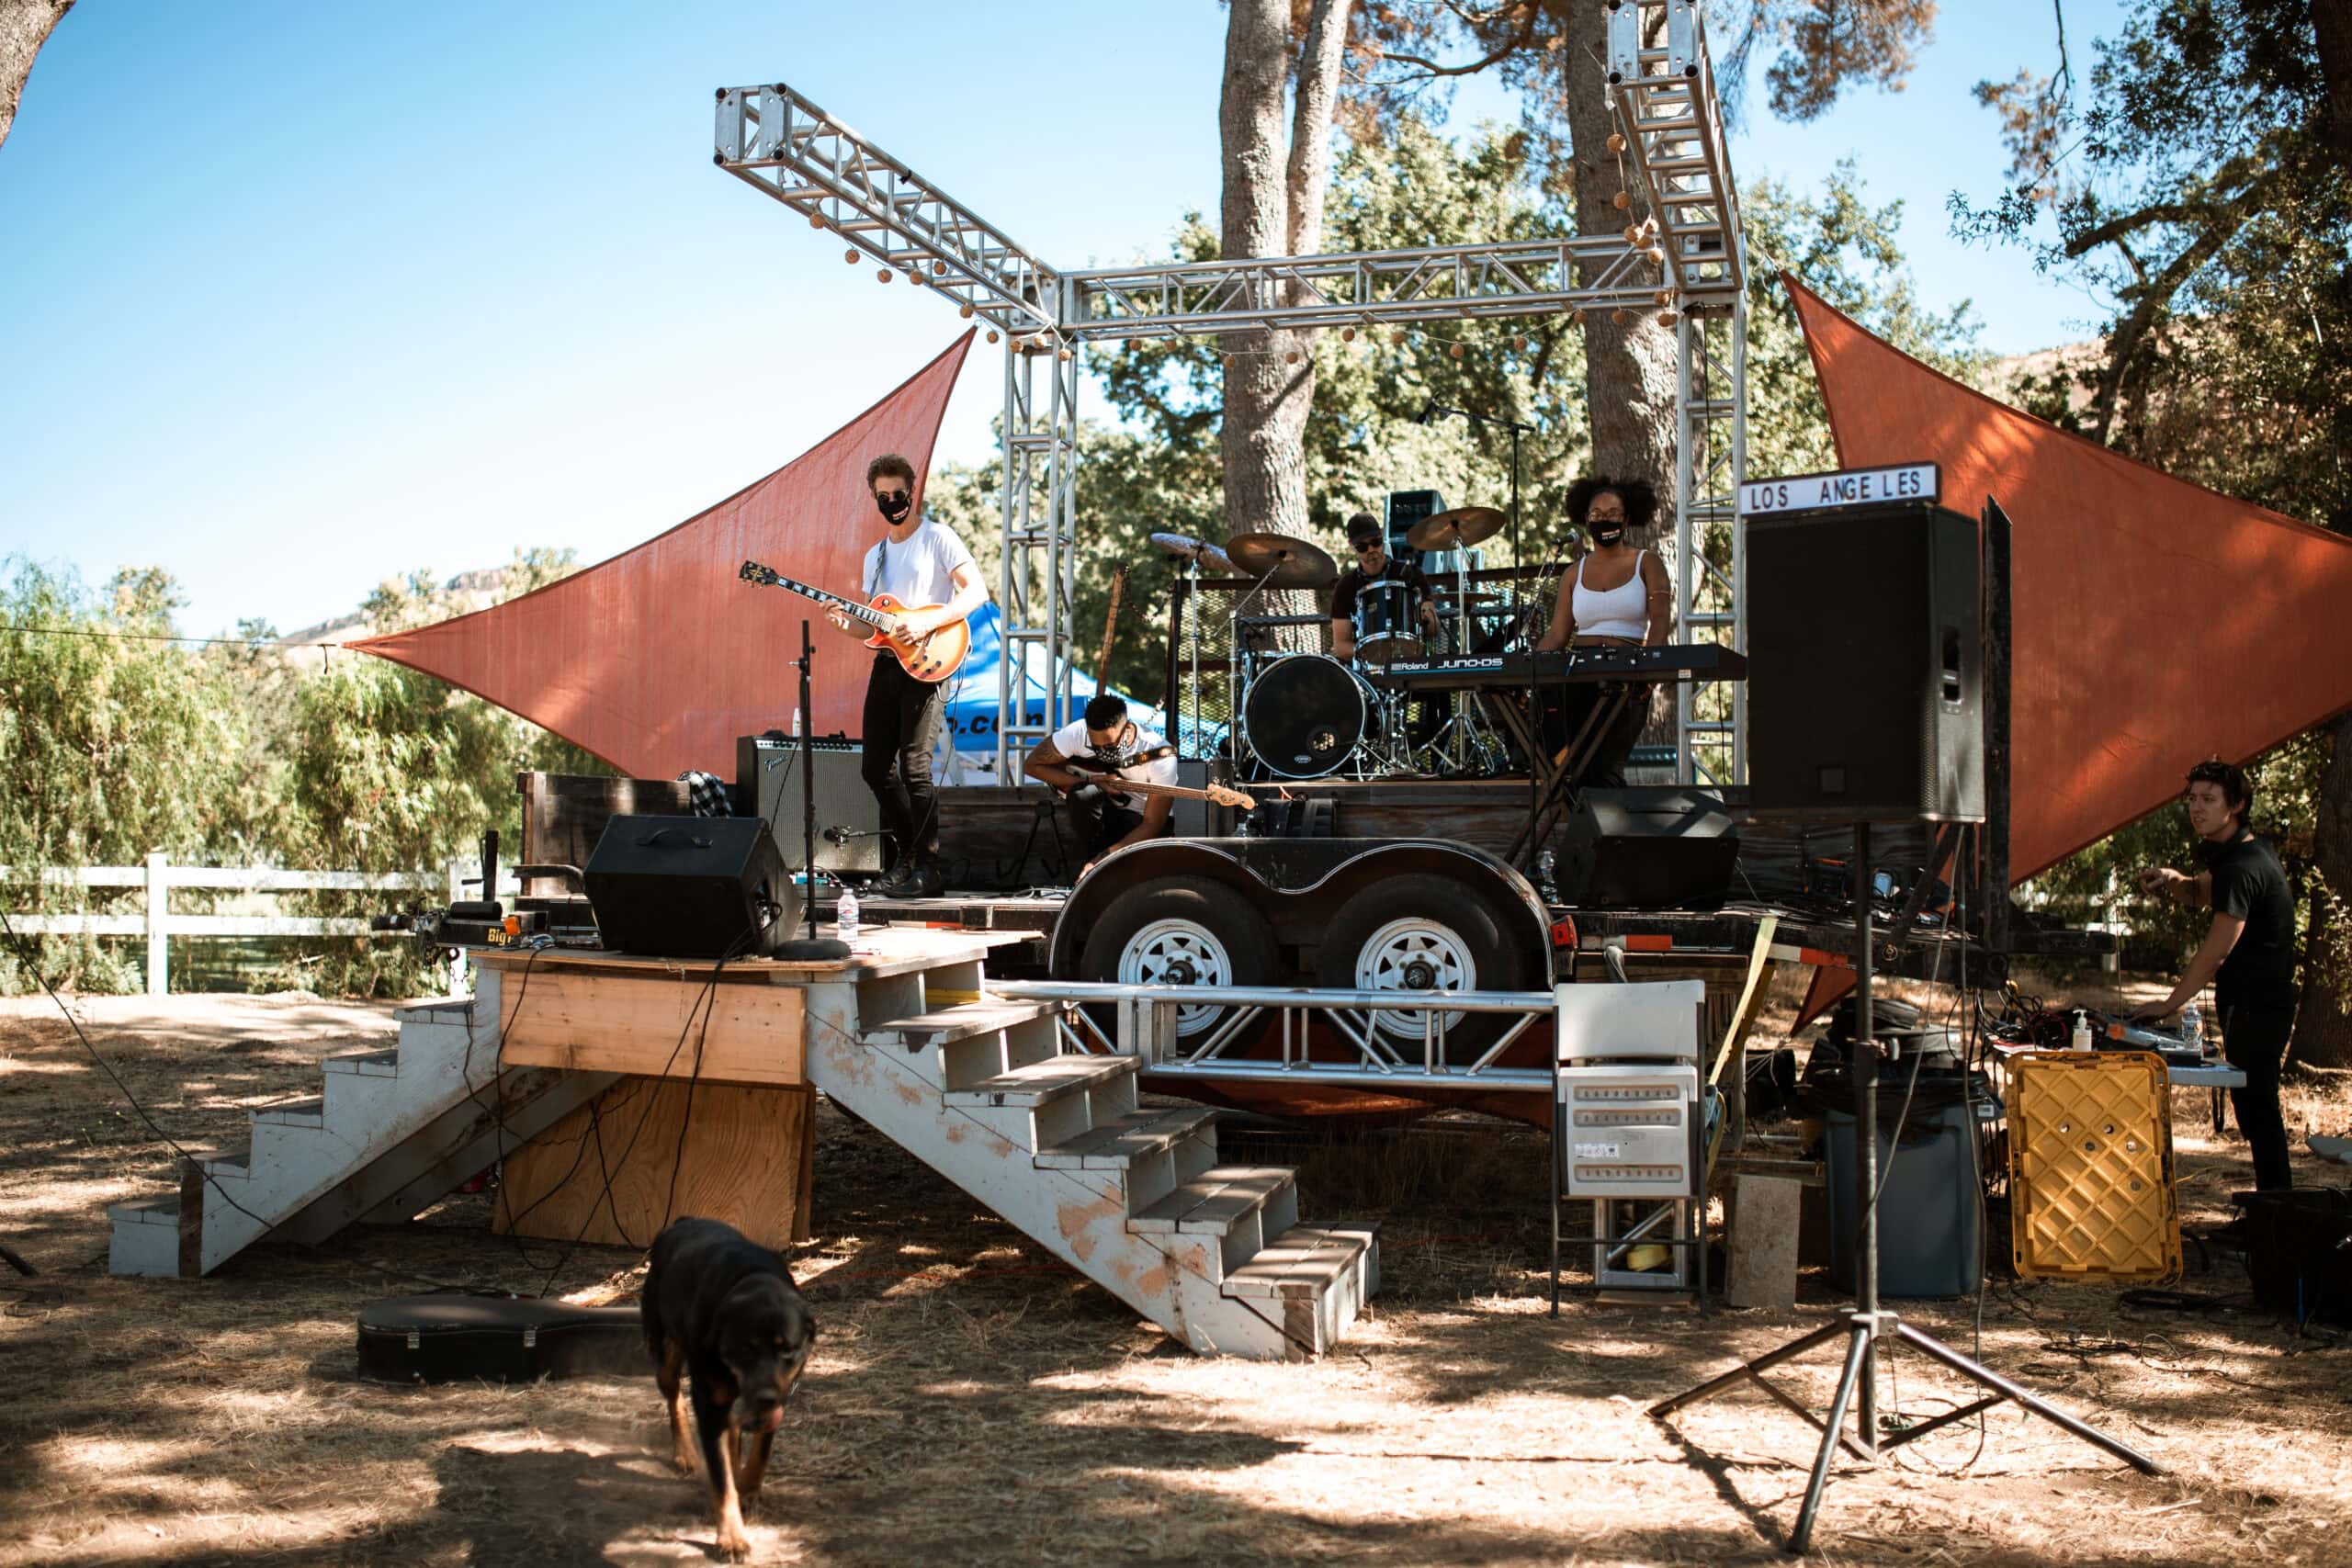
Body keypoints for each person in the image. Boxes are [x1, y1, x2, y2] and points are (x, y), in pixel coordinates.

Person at [824, 453, 989, 897]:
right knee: (874, 768)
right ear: (873, 497)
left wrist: (926, 623)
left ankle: (928, 868)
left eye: (899, 494)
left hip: (930, 660)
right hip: (888, 665)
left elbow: (976, 591)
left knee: (917, 767)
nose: (892, 502)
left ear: (912, 492)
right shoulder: (875, 556)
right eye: (883, 496)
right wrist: (845, 622)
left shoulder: (939, 537)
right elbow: (872, 624)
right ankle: (908, 858)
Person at [2132, 759, 2299, 1190]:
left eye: (2209, 799)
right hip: (2252, 1002)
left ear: (2237, 805)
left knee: (2258, 1109)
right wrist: (2171, 880)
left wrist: (2170, 1003)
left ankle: (2277, 1220)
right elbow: (2200, 892)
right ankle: (2272, 1215)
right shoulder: (2242, 854)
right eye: (2192, 799)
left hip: (2259, 1004)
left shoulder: (2244, 866)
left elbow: (2216, 952)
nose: (2197, 809)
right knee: (2255, 1108)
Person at [1532, 476, 1673, 788]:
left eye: (1612, 513)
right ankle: (1584, 834)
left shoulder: (1647, 563)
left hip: (1627, 671)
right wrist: (1527, 667)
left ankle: (1615, 835)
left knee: (1606, 768)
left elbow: (1660, 621)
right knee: (1568, 768)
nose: (1604, 520)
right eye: (1596, 514)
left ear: (1627, 518)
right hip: (1578, 674)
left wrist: (1650, 670)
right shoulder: (1573, 572)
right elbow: (1557, 636)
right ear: (1585, 518)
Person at [1022, 694, 1179, 874]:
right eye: (1096, 748)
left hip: (1143, 824)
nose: (1103, 752)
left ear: (1127, 728)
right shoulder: (1077, 733)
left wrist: (1102, 858)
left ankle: (1099, 864)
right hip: (1107, 817)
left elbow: (1153, 823)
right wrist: (1088, 781)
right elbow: (1032, 765)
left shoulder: (1160, 754)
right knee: (1083, 794)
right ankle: (1092, 865)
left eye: (1110, 746)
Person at [1327, 512, 1438, 661]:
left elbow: (1433, 628)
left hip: (1409, 662)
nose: (1371, 549)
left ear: (1382, 534)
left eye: (1376, 542)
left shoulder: (1411, 574)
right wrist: (1372, 652)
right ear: (1352, 546)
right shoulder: (1346, 586)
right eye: (1362, 546)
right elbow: (1340, 646)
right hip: (1366, 668)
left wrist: (1427, 620)